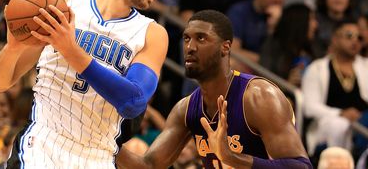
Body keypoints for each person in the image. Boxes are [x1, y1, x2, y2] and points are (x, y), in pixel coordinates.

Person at [0, 0, 168, 168]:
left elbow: (133, 101)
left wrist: (70, 50)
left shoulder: (151, 33)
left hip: (98, 156)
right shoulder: (61, 10)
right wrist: (12, 48)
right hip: (41, 146)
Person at [116, 10, 312, 169]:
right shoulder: (186, 109)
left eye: (201, 39)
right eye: (186, 39)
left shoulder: (258, 96)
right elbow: (149, 166)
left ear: (225, 47)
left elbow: (301, 166)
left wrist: (232, 158)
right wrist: (109, 142)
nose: (190, 47)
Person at [302, 20, 368, 156]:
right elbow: (309, 107)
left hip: (363, 121)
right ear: (335, 39)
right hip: (329, 123)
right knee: (339, 124)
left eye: (359, 37)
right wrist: (340, 113)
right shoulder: (317, 68)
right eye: (349, 35)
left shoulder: (366, 66)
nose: (355, 41)